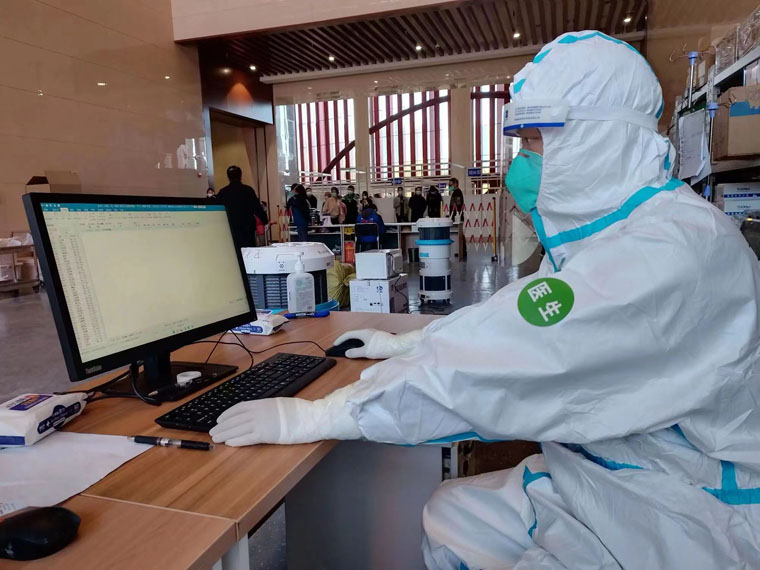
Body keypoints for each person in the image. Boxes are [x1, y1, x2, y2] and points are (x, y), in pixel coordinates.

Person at [211, 31, 760, 569]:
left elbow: (511, 358)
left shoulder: (671, 250)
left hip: (688, 508)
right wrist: (406, 344)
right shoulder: (611, 236)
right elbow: (511, 316)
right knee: (451, 514)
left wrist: (321, 415)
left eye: (537, 142)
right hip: (609, 472)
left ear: (601, 140)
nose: (522, 163)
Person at [215, 165, 268, 248]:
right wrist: (265, 220)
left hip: (230, 230)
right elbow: (257, 209)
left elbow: (217, 212)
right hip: (247, 230)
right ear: (241, 176)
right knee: (248, 253)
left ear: (228, 177)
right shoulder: (248, 190)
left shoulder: (223, 192)